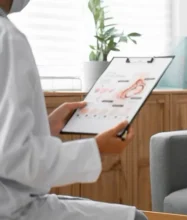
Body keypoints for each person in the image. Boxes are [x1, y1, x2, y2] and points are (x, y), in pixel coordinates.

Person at [0, 1, 148, 220]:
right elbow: (15, 159)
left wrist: (45, 127)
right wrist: (95, 149)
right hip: (11, 208)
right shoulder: (8, 38)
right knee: (135, 218)